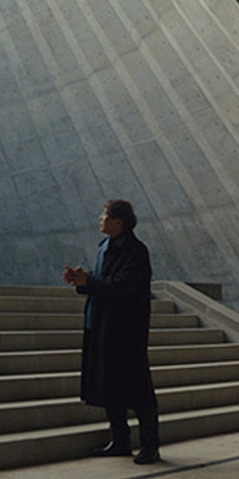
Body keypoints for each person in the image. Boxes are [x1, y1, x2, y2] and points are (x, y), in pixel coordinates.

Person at [63, 199, 160, 464]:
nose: (100, 218)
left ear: (118, 222)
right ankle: (120, 441)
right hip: (101, 326)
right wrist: (82, 281)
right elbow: (102, 283)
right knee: (109, 387)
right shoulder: (104, 247)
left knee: (138, 390)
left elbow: (124, 287)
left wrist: (90, 281)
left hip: (125, 331)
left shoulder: (135, 251)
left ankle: (150, 445)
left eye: (105, 215)